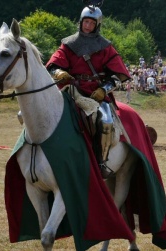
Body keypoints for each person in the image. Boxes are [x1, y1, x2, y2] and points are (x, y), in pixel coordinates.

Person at [45, 5, 131, 171]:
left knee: (106, 121)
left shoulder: (105, 47)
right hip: (71, 89)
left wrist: (104, 90)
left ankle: (102, 162)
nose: (87, 26)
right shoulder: (69, 44)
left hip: (95, 93)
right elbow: (52, 65)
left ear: (97, 25)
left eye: (92, 23)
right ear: (80, 22)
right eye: (86, 22)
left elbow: (118, 76)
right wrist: (59, 73)